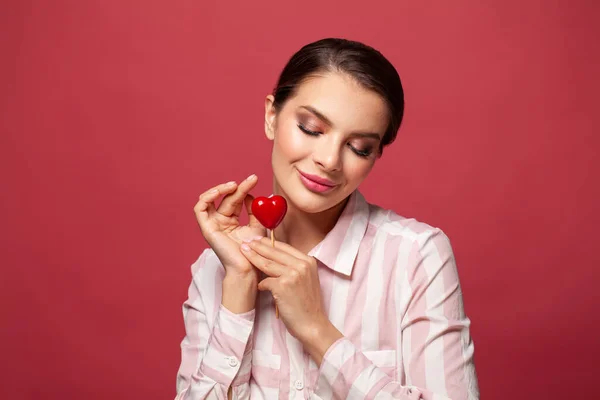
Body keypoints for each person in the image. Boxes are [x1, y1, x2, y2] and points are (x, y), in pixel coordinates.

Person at [175, 38, 479, 400]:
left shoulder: (416, 257)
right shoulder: (216, 268)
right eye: (311, 128)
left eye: (358, 148)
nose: (330, 160)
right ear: (272, 116)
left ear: (376, 155)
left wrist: (317, 330)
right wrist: (239, 288)